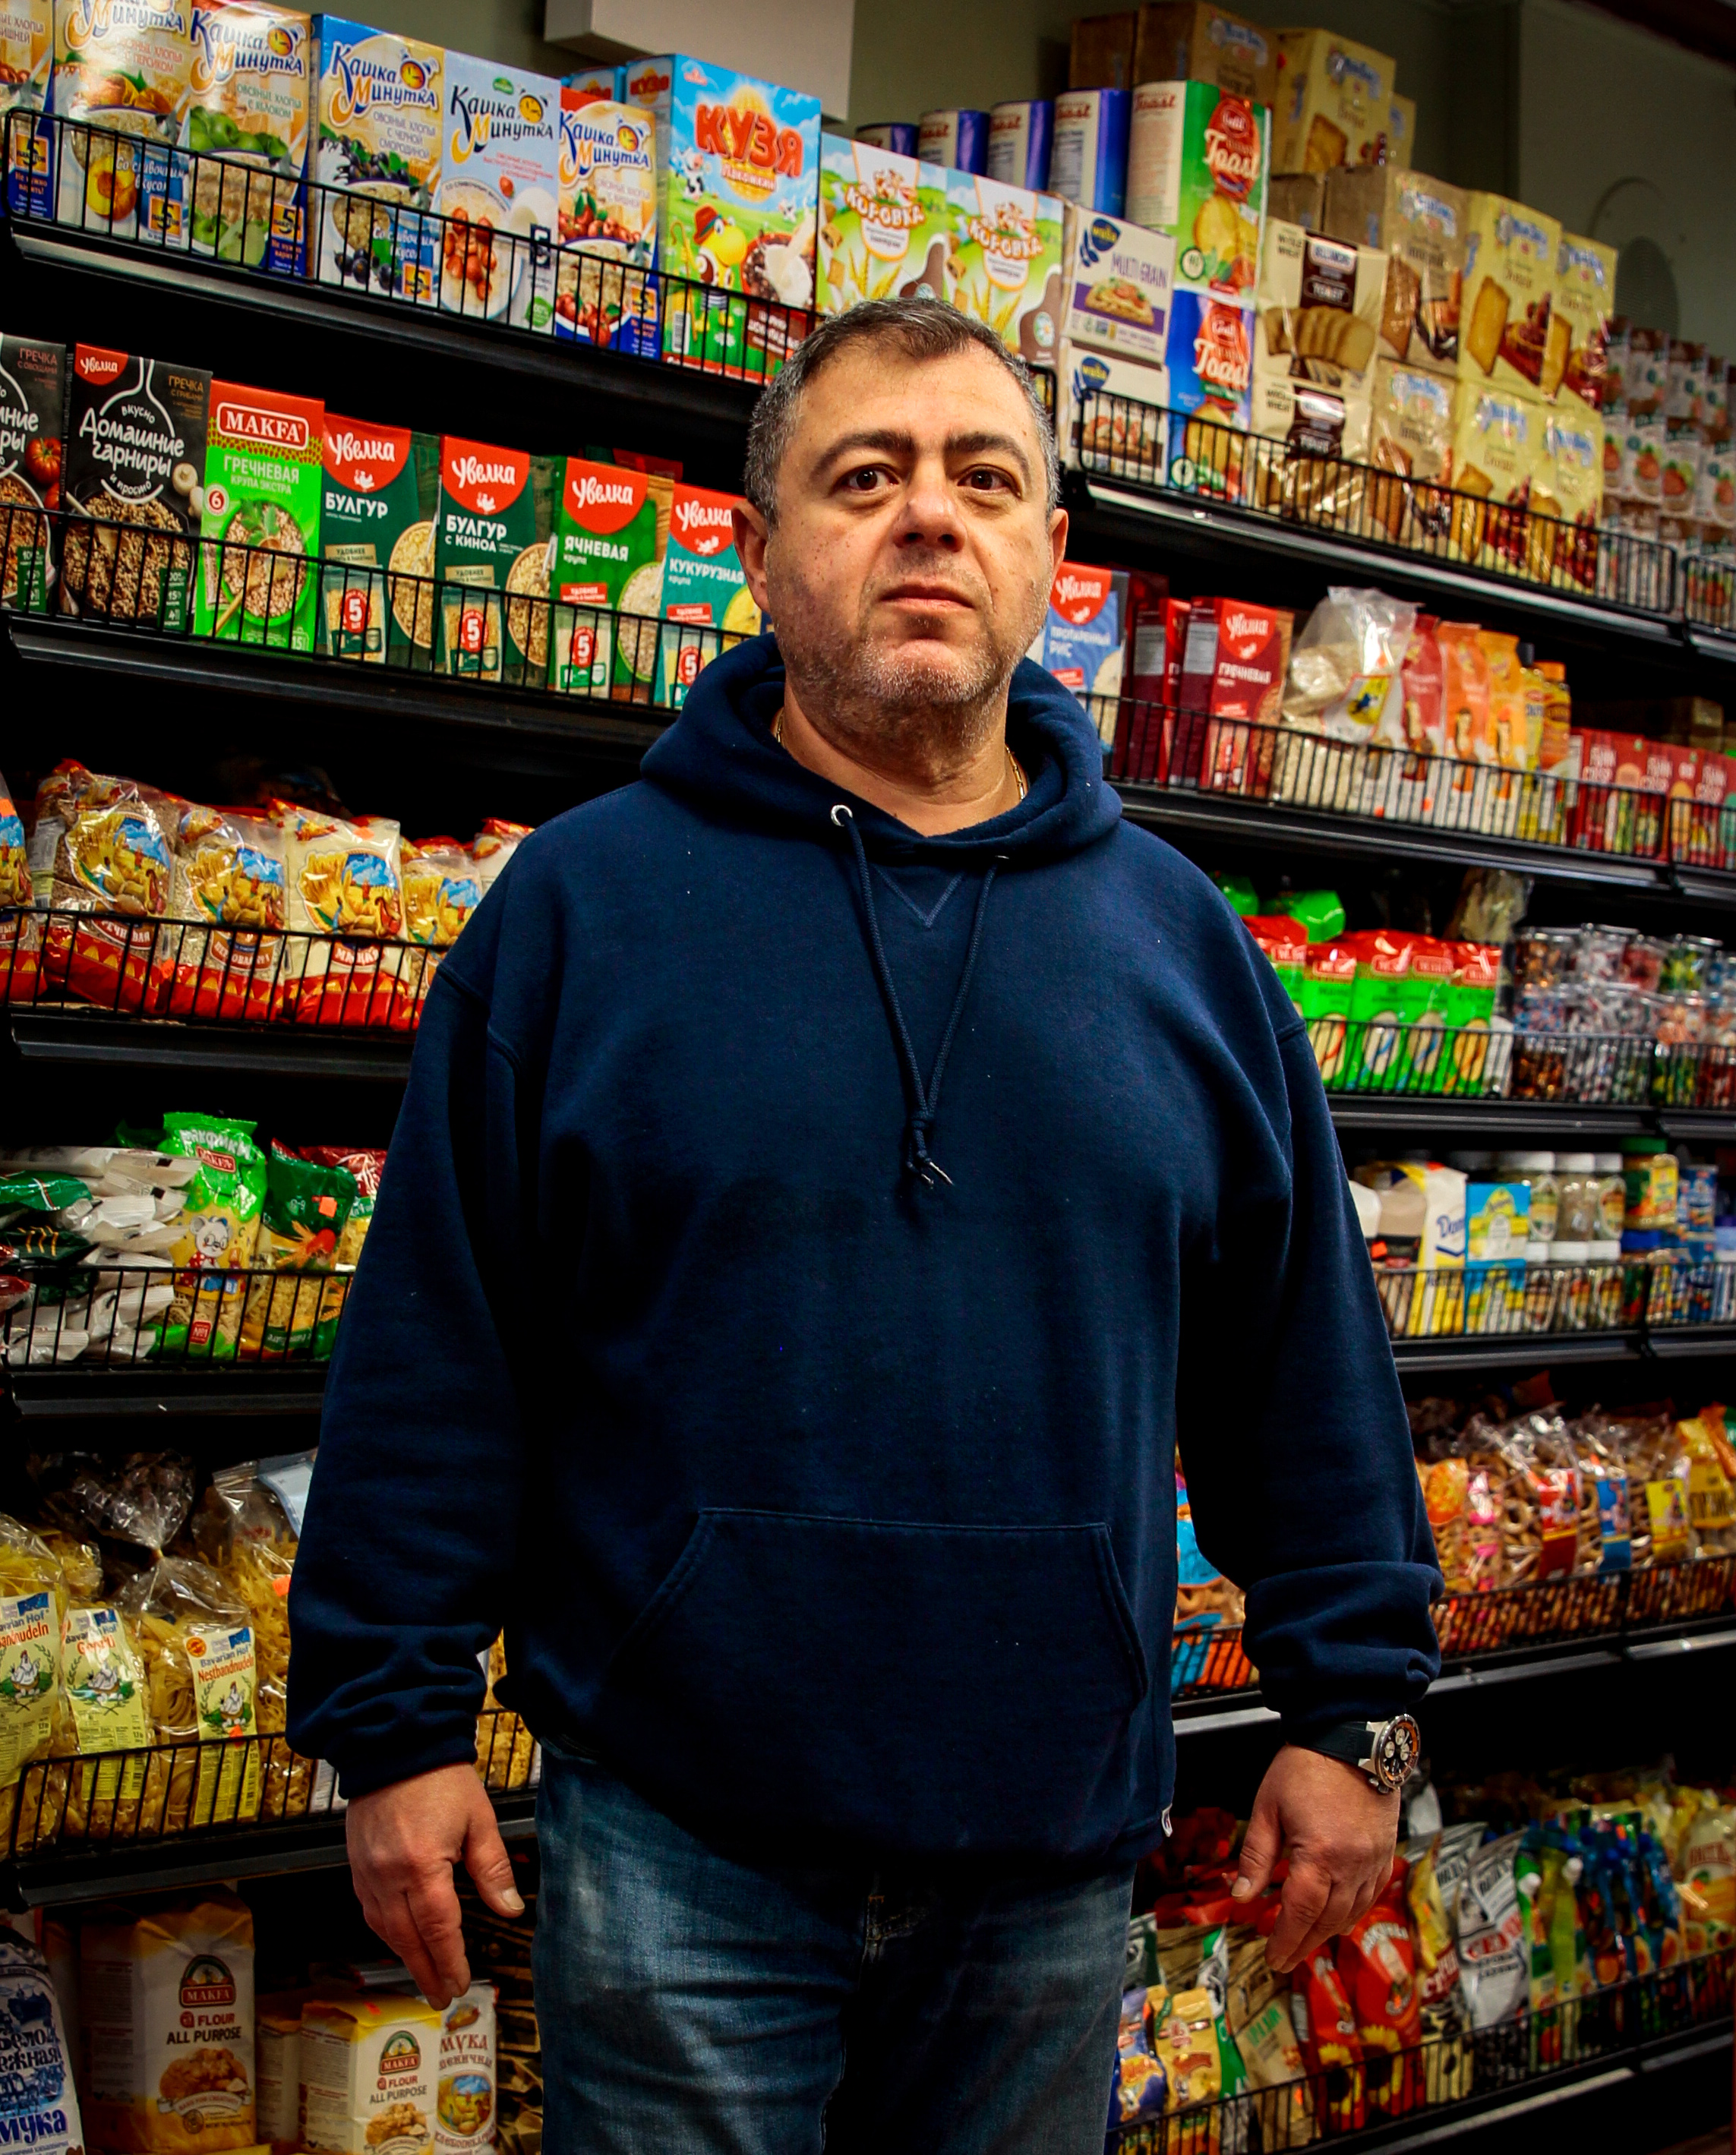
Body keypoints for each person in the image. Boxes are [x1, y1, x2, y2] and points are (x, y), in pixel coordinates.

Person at [288, 298, 1440, 2153]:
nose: (930, 517)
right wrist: (394, 1727)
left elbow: (1297, 1364)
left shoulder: (1181, 945)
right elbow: (438, 1353)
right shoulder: (582, 910)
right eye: (866, 477)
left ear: (1052, 558)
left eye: (986, 480)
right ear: (760, 553)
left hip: (1053, 1853)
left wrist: (1356, 1707)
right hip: (675, 1840)